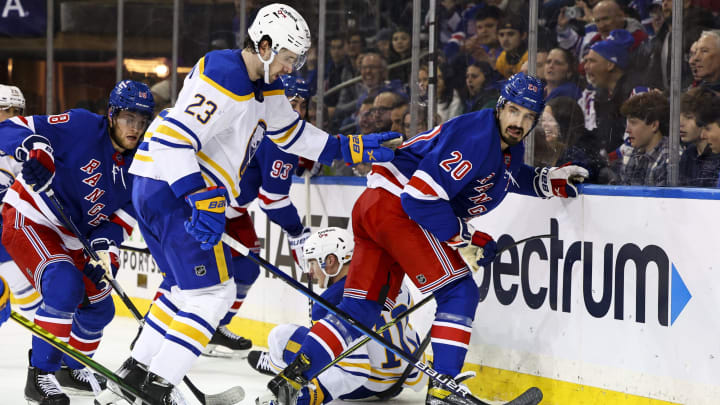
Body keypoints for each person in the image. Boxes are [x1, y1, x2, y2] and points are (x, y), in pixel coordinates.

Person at [114, 4, 400, 404]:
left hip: (160, 184)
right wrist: (197, 194)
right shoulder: (224, 74)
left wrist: (347, 146)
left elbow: (293, 134)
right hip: (169, 184)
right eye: (287, 58)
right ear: (264, 46)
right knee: (213, 294)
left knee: (183, 289)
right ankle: (156, 386)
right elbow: (171, 140)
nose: (291, 67)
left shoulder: (264, 86)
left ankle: (134, 372)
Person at [258, 72, 588, 405]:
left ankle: (296, 377)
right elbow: (419, 199)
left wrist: (546, 181)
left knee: (361, 309)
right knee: (458, 291)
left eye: (529, 116)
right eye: (514, 111)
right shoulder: (474, 138)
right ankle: (444, 391)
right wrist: (467, 239)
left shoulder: (499, 143)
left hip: (375, 206)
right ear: (501, 106)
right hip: (396, 207)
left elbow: (504, 176)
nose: (519, 121)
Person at [0, 79, 154, 404]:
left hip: (73, 236)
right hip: (31, 217)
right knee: (64, 286)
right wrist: (36, 148)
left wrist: (106, 252)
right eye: (129, 118)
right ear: (111, 115)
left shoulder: (141, 164)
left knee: (100, 305)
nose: (136, 128)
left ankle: (72, 368)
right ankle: (40, 375)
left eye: (142, 121)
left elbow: (120, 220)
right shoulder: (81, 125)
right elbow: (10, 127)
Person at [247, 227, 428, 404]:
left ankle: (282, 370)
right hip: (402, 378)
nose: (310, 271)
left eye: (312, 262)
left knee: (280, 336)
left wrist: (313, 395)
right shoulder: (390, 278)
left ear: (330, 261)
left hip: (364, 386)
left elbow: (355, 371)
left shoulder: (334, 300)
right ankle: (275, 363)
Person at [0, 85, 43, 317]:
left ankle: (46, 337)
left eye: (19, 111)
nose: (16, 118)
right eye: (9, 111)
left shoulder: (22, 149)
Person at [618, 91, 670, 186]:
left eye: (633, 123)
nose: (627, 130)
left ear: (654, 125)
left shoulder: (669, 160)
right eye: (627, 123)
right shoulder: (630, 154)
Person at [679, 87, 720, 187]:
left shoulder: (716, 158)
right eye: (680, 117)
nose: (681, 124)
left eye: (689, 117)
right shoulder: (688, 154)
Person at [494, 14, 529, 78]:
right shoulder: (501, 58)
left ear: (523, 35)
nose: (505, 39)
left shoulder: (530, 57)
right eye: (501, 35)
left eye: (510, 34)